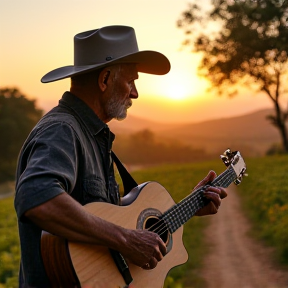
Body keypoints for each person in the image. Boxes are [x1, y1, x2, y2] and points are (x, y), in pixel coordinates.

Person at [14, 25, 227, 288]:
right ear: (105, 79)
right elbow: (37, 198)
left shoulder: (91, 135)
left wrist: (192, 205)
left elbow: (113, 222)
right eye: (131, 81)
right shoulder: (62, 130)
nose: (135, 93)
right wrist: (126, 240)